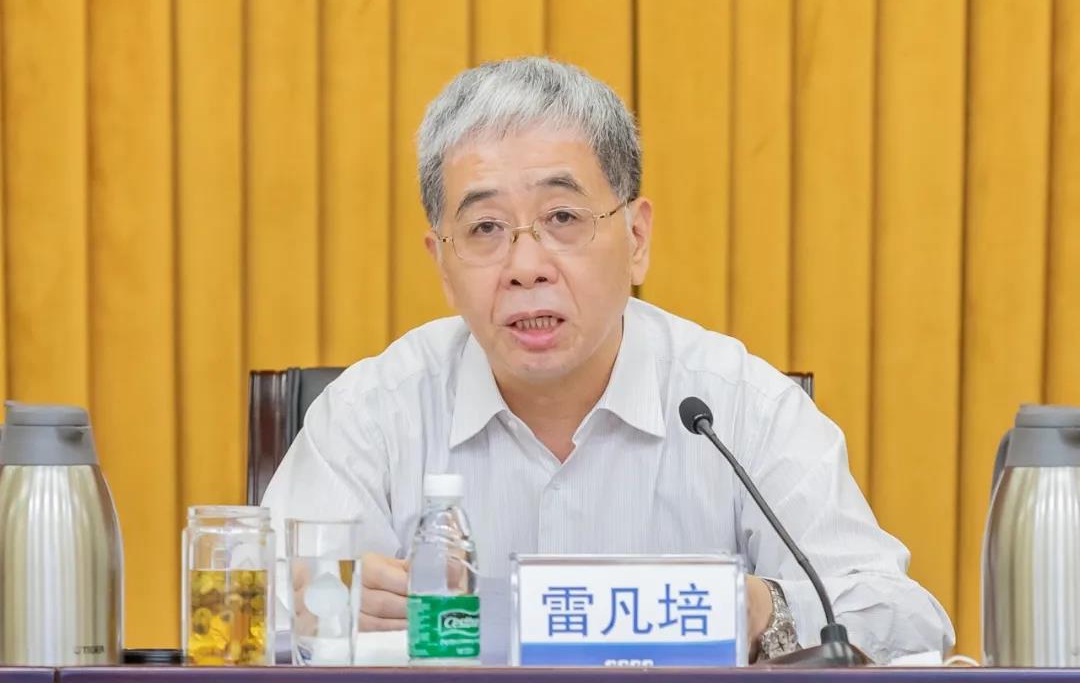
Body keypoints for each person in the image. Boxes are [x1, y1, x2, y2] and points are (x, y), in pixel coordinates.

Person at [261, 56, 954, 663]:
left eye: (563, 218)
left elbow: (906, 620)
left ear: (637, 238)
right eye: (485, 228)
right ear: (442, 264)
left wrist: (759, 610)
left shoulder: (738, 406)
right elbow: (251, 611)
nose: (525, 266)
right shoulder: (372, 413)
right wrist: (325, 608)